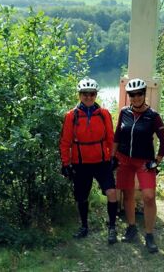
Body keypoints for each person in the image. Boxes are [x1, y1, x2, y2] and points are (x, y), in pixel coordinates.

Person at [112, 78, 164, 253]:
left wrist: (156, 161)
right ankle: (131, 227)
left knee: (149, 196)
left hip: (144, 162)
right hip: (124, 159)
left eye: (139, 94)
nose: (136, 97)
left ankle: (149, 234)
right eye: (132, 94)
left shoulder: (153, 116)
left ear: (144, 94)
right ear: (129, 96)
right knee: (128, 194)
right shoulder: (124, 112)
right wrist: (113, 157)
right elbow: (117, 136)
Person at [59, 77, 118, 244]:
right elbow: (65, 141)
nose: (88, 97)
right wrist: (66, 163)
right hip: (81, 162)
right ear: (79, 95)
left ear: (96, 94)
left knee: (111, 192)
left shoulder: (104, 113)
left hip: (102, 161)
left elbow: (110, 137)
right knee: (81, 196)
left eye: (92, 93)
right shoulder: (72, 116)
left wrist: (114, 157)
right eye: (85, 94)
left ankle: (112, 227)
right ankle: (84, 226)